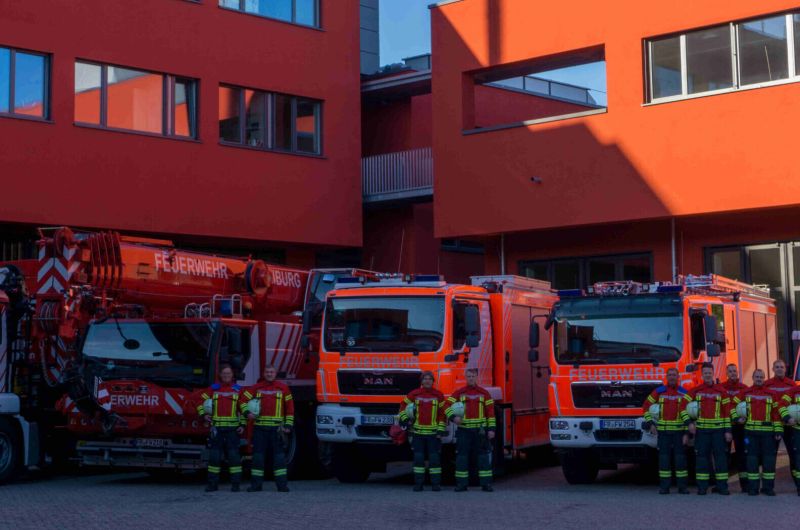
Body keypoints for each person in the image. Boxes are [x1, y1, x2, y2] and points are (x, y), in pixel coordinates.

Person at [240, 365, 293, 492]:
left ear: (275, 373)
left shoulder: (284, 388)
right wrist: (247, 413)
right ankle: (256, 486)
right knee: (258, 458)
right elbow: (242, 400)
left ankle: (282, 486)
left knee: (279, 458)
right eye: (267, 372)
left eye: (271, 372)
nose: (269, 374)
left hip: (276, 429)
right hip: (260, 428)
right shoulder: (256, 388)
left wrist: (288, 425)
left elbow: (290, 408)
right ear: (264, 373)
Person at [732, 369, 782, 496]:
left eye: (761, 377)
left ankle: (768, 488)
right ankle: (753, 488)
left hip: (768, 434)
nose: (759, 379)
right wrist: (737, 418)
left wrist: (778, 430)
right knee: (751, 460)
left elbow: (776, 413)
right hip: (750, 434)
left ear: (764, 378)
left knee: (769, 461)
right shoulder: (745, 392)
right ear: (753, 378)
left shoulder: (772, 394)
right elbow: (732, 406)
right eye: (757, 377)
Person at [446, 368, 495, 492]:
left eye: (473, 376)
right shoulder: (459, 393)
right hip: (464, 431)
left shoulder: (484, 393)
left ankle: (486, 484)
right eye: (468, 376)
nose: (471, 378)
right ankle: (462, 484)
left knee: (483, 457)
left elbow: (490, 413)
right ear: (465, 377)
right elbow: (446, 406)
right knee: (462, 458)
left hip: (480, 431)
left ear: (477, 377)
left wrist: (491, 429)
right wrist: (453, 417)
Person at [197, 364, 244, 492]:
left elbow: (243, 408)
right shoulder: (213, 389)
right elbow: (199, 402)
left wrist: (243, 425)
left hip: (232, 430)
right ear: (220, 375)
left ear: (232, 375)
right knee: (214, 457)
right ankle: (212, 484)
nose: (226, 376)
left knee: (234, 457)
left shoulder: (238, 389)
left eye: (228, 374)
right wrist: (203, 415)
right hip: (217, 429)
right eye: (224, 374)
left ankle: (235, 485)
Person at [686, 363, 732, 495]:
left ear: (713, 373)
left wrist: (728, 431)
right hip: (702, 432)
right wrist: (689, 422)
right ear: (702, 375)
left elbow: (727, 412)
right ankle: (702, 487)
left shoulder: (721, 391)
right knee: (701, 459)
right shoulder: (696, 391)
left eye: (709, 373)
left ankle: (722, 487)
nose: (707, 375)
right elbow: (683, 406)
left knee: (720, 460)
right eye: (705, 373)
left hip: (718, 432)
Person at [642, 367, 689, 494]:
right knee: (664, 460)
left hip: (679, 432)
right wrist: (650, 423)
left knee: (680, 461)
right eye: (670, 375)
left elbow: (688, 414)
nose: (672, 377)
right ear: (666, 377)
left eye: (674, 375)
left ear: (678, 377)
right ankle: (664, 487)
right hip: (663, 433)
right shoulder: (659, 391)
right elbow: (646, 406)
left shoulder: (684, 392)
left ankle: (682, 487)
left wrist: (686, 433)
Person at [399, 371, 447, 492]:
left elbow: (442, 414)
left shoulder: (438, 395)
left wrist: (440, 430)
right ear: (421, 381)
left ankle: (436, 484)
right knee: (418, 459)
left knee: (434, 460)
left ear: (433, 381)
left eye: (429, 379)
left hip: (433, 434)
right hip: (418, 433)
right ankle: (418, 484)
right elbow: (402, 406)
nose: (427, 381)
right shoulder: (414, 394)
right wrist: (405, 420)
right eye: (425, 379)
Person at [764, 359, 796, 471]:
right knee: (770, 455)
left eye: (781, 367)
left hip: (789, 424)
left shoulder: (792, 384)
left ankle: (797, 483)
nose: (779, 369)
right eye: (777, 367)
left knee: (793, 454)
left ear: (785, 369)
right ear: (773, 369)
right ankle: (769, 482)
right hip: (773, 423)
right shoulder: (766, 384)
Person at [722, 363, 749, 493]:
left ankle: (745, 485)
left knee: (742, 455)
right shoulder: (721, 388)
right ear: (727, 373)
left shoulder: (744, 388)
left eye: (734, 371)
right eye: (730, 371)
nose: (733, 373)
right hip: (725, 426)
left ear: (737, 372)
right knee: (724, 455)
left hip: (740, 428)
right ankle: (722, 485)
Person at [778, 382, 800, 496]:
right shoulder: (794, 391)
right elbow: (781, 405)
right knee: (798, 460)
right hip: (797, 430)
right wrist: (787, 417)